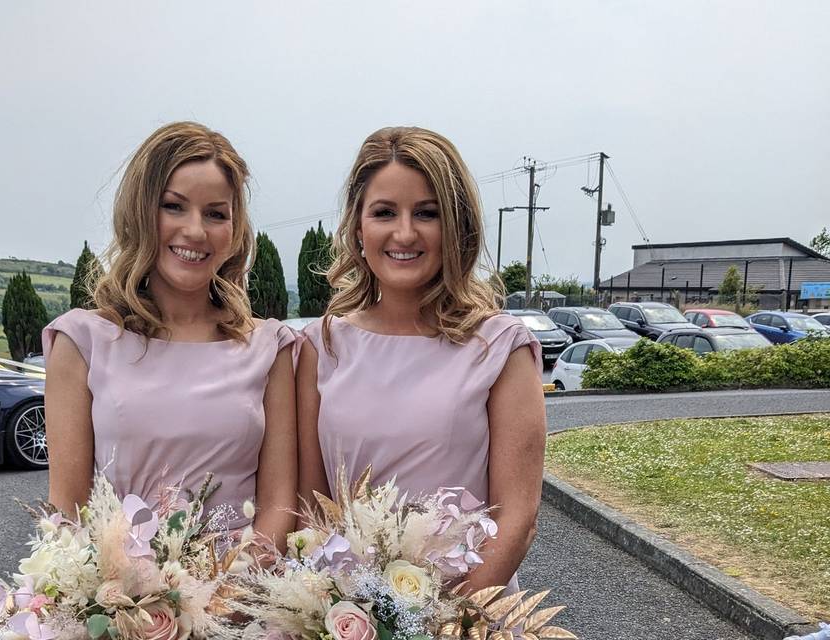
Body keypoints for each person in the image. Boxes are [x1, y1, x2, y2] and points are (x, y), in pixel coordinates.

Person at [297, 126, 546, 591]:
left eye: (426, 213)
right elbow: (312, 508)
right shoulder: (321, 345)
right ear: (358, 227)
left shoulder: (499, 347)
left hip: (471, 612)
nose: (404, 232)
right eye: (385, 212)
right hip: (349, 615)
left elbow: (517, 518)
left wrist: (445, 622)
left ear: (457, 226)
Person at [43, 121, 296, 549]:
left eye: (216, 213)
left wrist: (230, 589)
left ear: (234, 232)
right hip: (122, 601)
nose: (195, 231)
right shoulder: (82, 343)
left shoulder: (269, 348)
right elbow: (67, 510)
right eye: (174, 206)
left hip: (243, 599)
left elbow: (279, 505)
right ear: (140, 212)